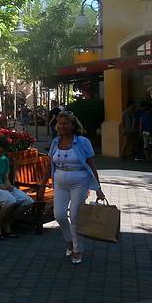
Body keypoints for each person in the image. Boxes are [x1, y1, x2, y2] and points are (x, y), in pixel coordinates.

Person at [40, 111, 106, 265]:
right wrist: (42, 185)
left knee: (75, 216)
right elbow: (49, 164)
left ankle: (77, 249)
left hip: (79, 182)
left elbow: (92, 165)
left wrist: (98, 188)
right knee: (59, 215)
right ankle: (69, 240)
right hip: (59, 182)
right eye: (60, 124)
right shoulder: (55, 142)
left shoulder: (83, 142)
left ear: (73, 125)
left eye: (66, 124)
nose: (62, 126)